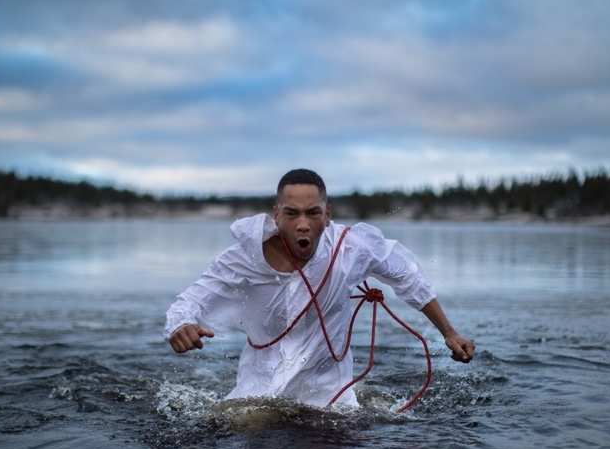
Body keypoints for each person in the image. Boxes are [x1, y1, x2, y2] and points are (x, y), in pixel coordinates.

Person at [164, 169, 475, 408]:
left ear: (327, 215)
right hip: (258, 393)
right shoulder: (244, 258)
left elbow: (408, 277)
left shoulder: (351, 248)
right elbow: (192, 299)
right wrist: (180, 325)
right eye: (292, 213)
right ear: (277, 214)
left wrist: (448, 332)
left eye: (312, 213)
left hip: (331, 396)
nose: (303, 224)